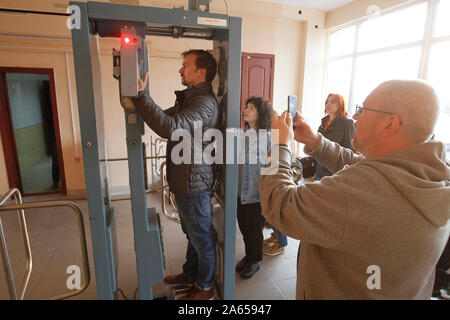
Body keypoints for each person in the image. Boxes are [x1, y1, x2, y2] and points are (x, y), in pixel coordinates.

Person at [259, 79, 450, 299]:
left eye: (362, 109)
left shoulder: (362, 190)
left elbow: (279, 203)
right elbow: (358, 162)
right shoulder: (430, 173)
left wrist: (279, 146)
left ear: (390, 124)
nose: (355, 116)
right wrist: (314, 140)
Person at [123, 49, 219, 300]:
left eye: (185, 66)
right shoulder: (190, 99)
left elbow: (171, 128)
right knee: (191, 232)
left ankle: (205, 287)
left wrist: (142, 97)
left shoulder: (204, 104)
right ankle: (191, 273)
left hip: (194, 184)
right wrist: (139, 102)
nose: (180, 70)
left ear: (202, 72)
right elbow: (164, 117)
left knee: (202, 237)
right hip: (185, 180)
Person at [235, 96, 272, 279]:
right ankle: (249, 255)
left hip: (256, 193)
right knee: (243, 226)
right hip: (240, 190)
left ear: (260, 114)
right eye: (246, 107)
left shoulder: (267, 137)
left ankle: (256, 260)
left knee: (254, 229)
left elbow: (271, 167)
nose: (246, 110)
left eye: (251, 108)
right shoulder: (241, 134)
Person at [315, 93, 354, 180]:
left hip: (335, 168)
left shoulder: (347, 123)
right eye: (327, 102)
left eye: (332, 102)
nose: (328, 104)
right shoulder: (324, 122)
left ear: (340, 104)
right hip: (320, 167)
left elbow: (349, 148)